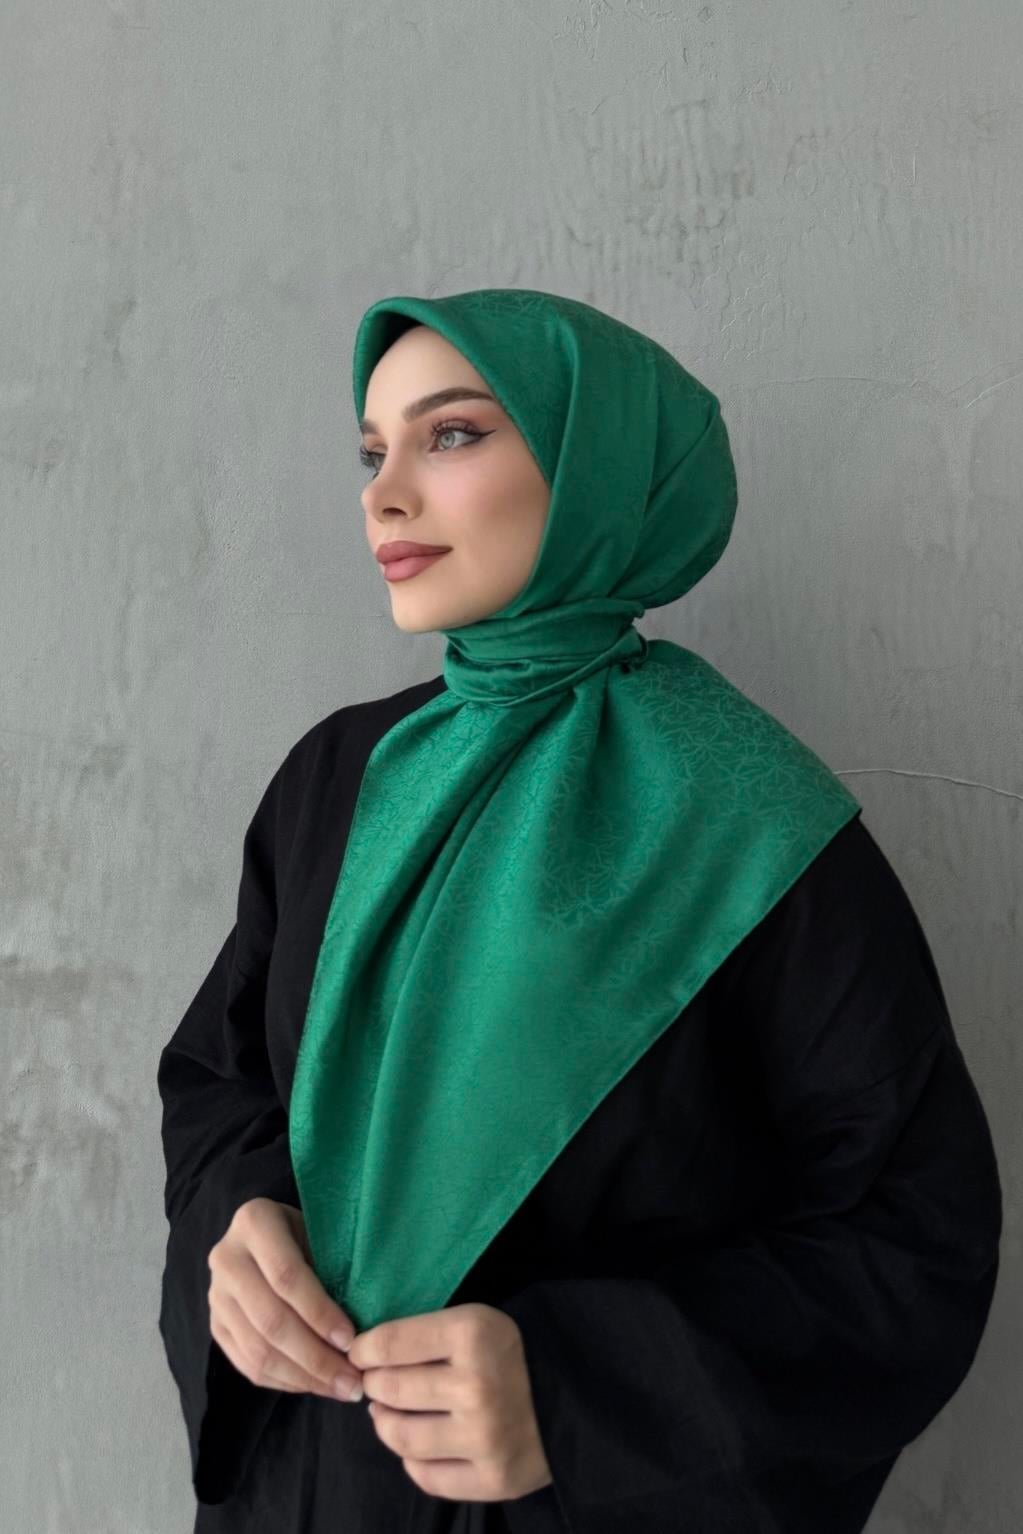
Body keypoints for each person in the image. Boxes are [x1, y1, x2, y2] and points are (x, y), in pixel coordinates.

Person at [157, 289, 1002, 1534]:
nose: (386, 496)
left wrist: (578, 1391)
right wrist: (235, 1222)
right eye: (373, 451)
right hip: (302, 1491)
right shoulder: (335, 779)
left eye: (452, 435)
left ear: (596, 464)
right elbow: (218, 1078)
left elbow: (912, 1238)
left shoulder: (750, 818)